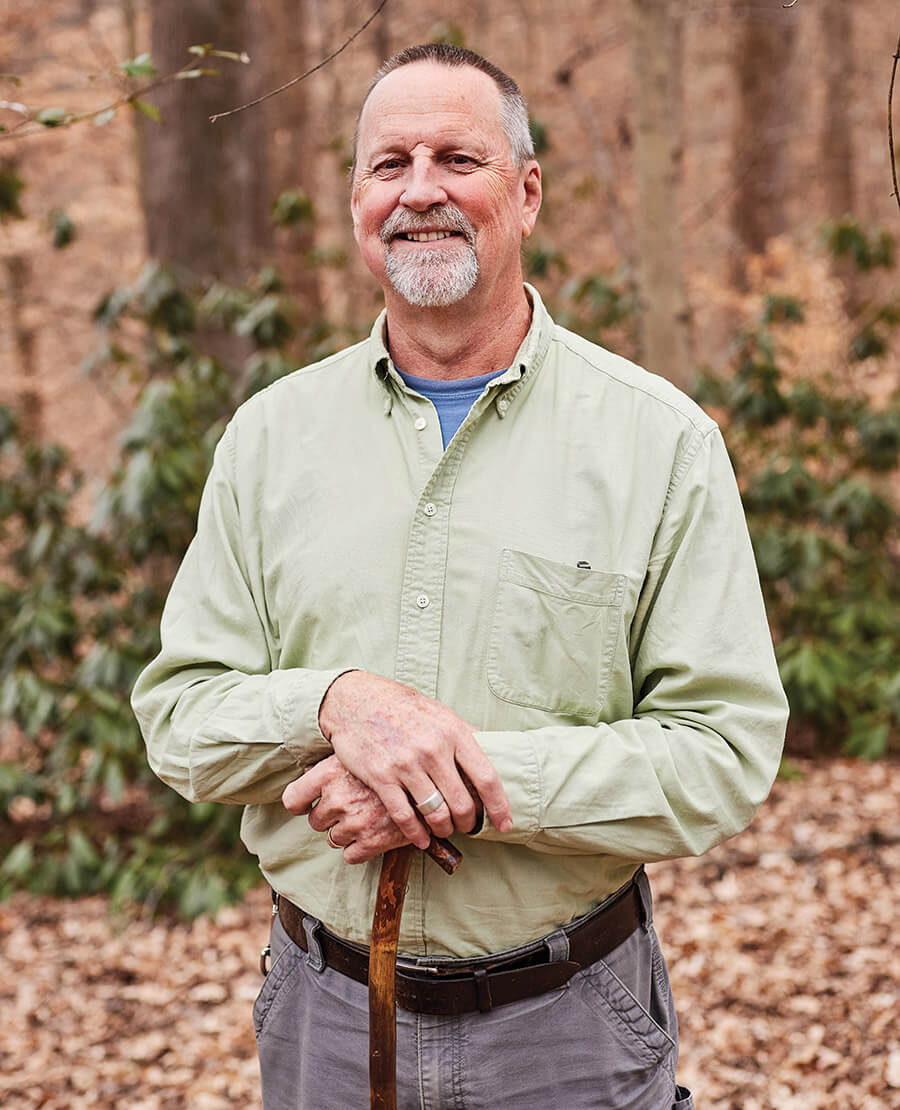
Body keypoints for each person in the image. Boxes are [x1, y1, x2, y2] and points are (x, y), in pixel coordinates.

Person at [132, 43, 788, 1110]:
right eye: (389, 163)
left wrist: (466, 788)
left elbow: (722, 754)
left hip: (570, 1026)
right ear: (355, 202)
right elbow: (180, 718)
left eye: (457, 158)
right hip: (325, 1022)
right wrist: (339, 704)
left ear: (525, 193)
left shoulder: (658, 442)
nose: (420, 190)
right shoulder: (268, 441)